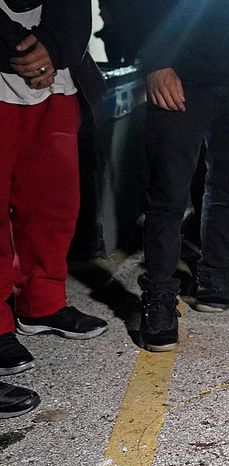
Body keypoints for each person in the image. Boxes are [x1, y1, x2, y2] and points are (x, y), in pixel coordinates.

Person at [136, 1, 229, 352]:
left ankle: (215, 282)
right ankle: (158, 298)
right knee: (169, 195)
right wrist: (154, 62)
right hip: (180, 74)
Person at [1, 0, 108, 417]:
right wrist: (25, 50)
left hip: (58, 83)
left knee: (54, 206)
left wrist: (54, 47)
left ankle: (42, 305)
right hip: (7, 72)